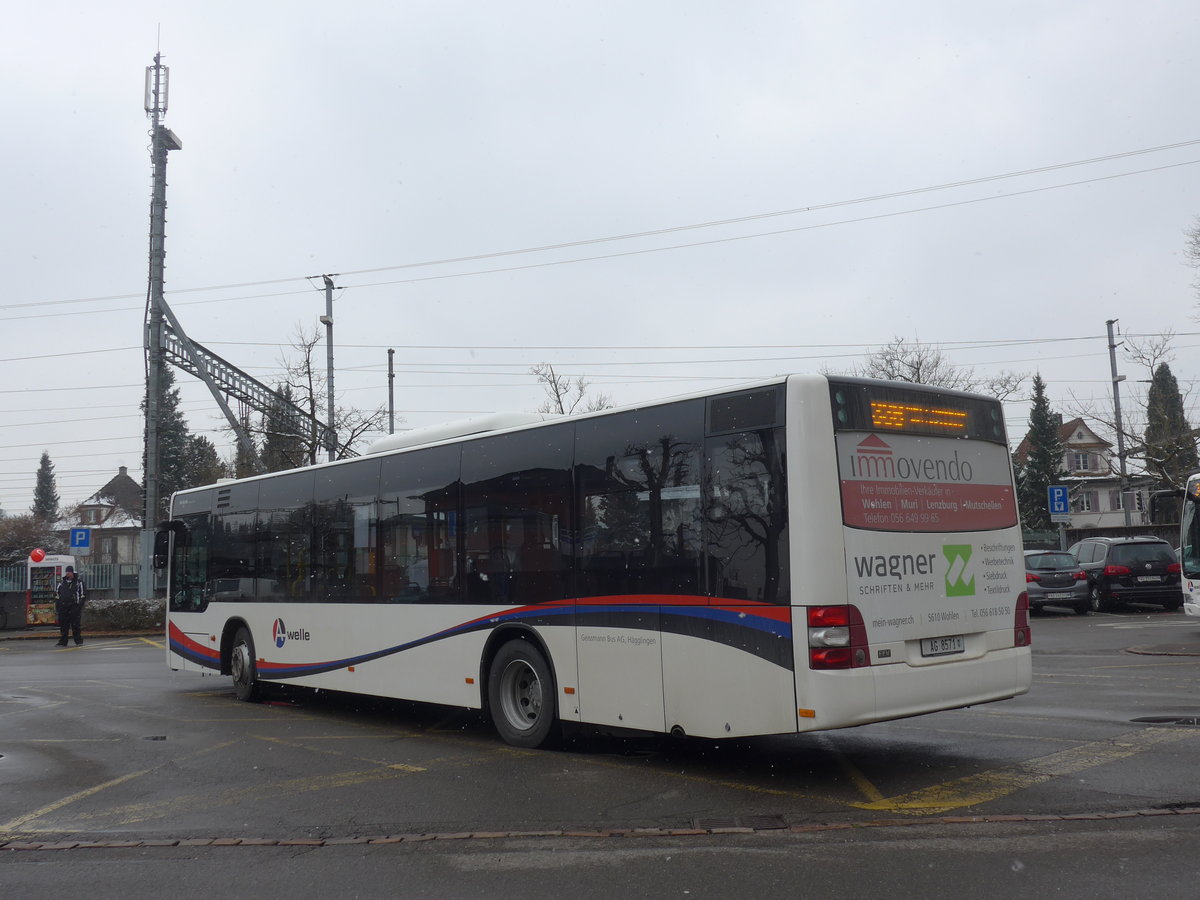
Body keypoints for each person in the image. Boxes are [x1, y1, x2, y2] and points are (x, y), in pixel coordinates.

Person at [55, 565, 86, 647]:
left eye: (69, 572)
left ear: (72, 573)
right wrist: (58, 605)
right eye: (67, 572)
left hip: (74, 607)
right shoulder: (61, 583)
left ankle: (78, 641)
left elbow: (83, 594)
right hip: (63, 607)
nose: (68, 573)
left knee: (75, 625)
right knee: (63, 625)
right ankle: (63, 641)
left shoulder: (79, 582)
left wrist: (79, 606)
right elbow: (57, 594)